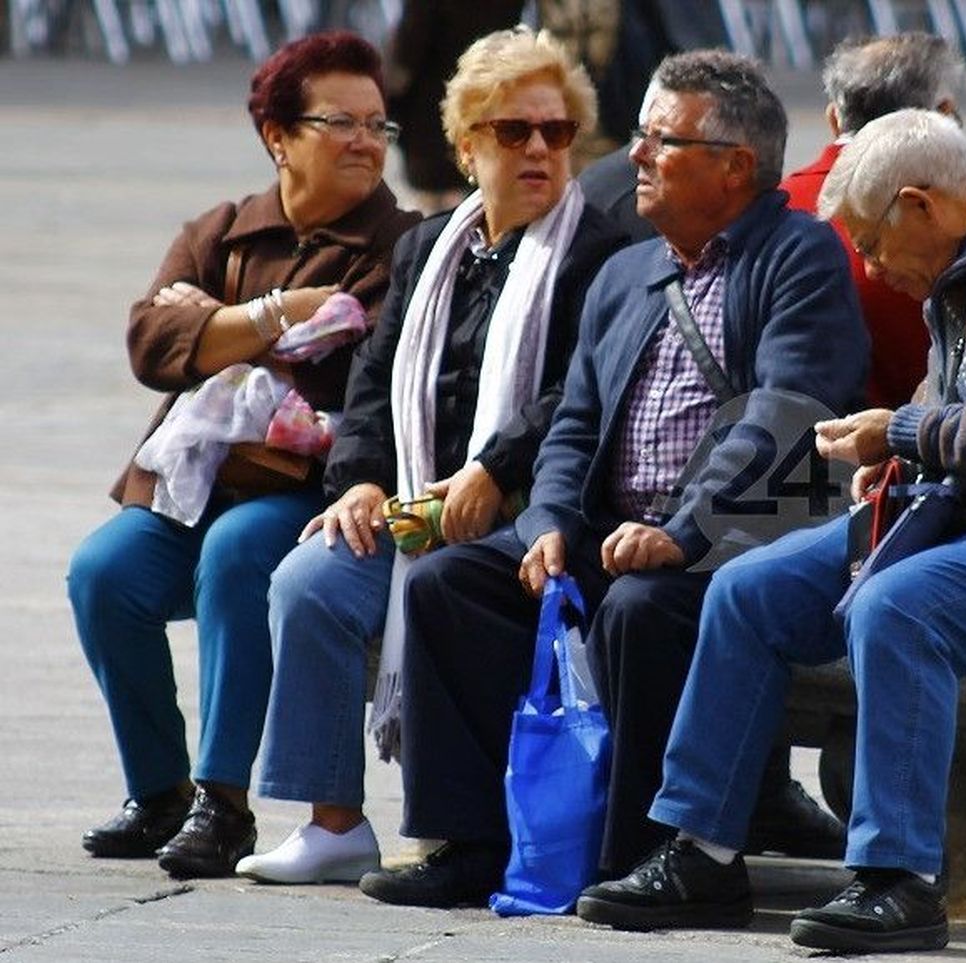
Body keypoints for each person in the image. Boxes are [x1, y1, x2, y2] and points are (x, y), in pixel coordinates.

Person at [576, 108, 966, 954]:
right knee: (746, 590)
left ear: (919, 205)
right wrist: (893, 466)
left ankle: (900, 878)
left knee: (896, 608)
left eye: (872, 242)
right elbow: (950, 418)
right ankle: (703, 849)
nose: (874, 267)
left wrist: (895, 434)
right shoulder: (963, 275)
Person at [354, 50, 867, 909]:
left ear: (734, 166)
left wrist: (685, 530)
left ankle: (645, 853)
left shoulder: (798, 258)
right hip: (612, 531)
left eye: (659, 140)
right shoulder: (631, 269)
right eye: (638, 136)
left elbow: (786, 418)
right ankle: (475, 838)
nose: (631, 157)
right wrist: (549, 518)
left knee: (641, 606)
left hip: (733, 547)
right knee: (449, 584)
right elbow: (574, 421)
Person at [232, 27, 628, 886]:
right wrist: (363, 480)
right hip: (416, 505)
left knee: (456, 588)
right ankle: (333, 820)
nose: (538, 151)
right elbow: (372, 386)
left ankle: (467, 833)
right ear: (466, 144)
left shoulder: (600, 257)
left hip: (526, 514)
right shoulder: (427, 248)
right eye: (513, 131)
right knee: (309, 581)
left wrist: (494, 470)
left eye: (556, 134)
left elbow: (579, 393)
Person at [68, 32, 420, 879]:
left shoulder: (403, 244)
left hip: (308, 488)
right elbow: (152, 342)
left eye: (380, 124)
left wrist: (217, 326)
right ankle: (157, 791)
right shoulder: (223, 228)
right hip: (195, 484)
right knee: (103, 572)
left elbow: (346, 364)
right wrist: (279, 315)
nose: (368, 141)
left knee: (238, 554)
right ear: (278, 136)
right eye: (343, 121)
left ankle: (221, 803)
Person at [780, 32, 955, 409]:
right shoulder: (946, 224)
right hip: (907, 451)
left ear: (833, 118)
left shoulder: (770, 208)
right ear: (943, 117)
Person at [385, 0, 524, 213]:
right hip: (489, 97)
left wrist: (393, 94)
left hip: (432, 108)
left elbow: (409, 46)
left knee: (433, 207)